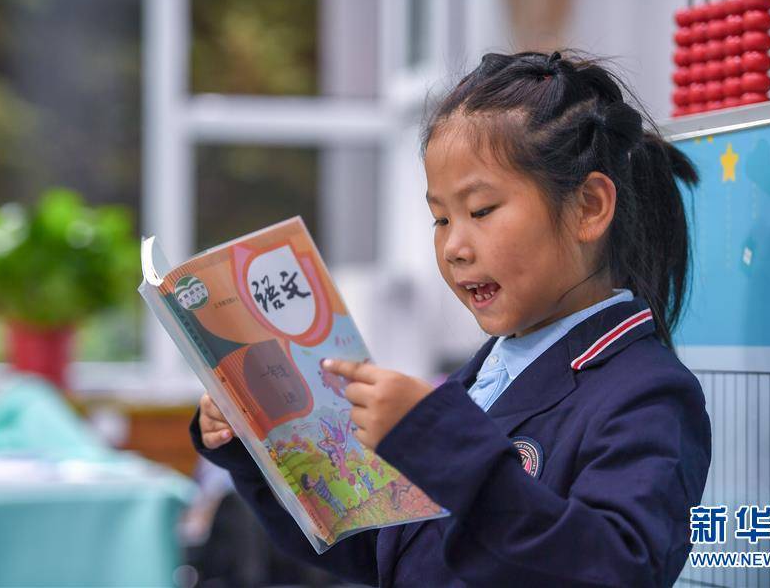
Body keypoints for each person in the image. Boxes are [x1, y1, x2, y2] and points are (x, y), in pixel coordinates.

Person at [191, 50, 712, 588]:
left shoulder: (648, 394)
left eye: (481, 210)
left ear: (589, 207)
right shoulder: (481, 380)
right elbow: (381, 552)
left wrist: (437, 444)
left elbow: (614, 570)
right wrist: (258, 444)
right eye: (440, 218)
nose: (454, 247)